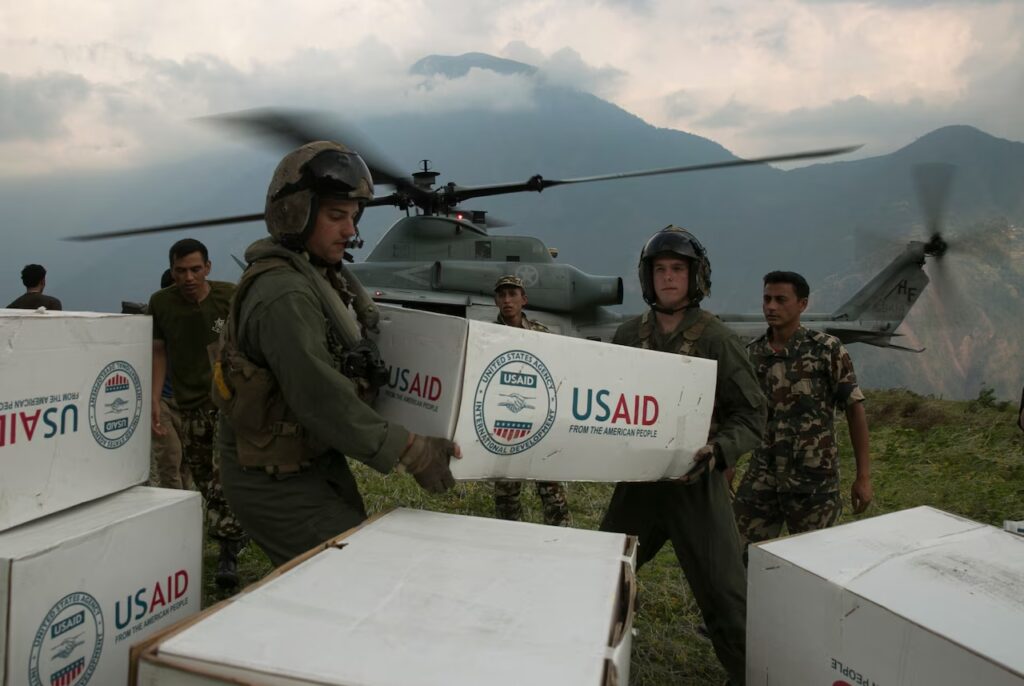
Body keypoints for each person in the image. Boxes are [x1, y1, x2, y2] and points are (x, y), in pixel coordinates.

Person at [214, 141, 460, 568]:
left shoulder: (319, 277)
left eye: (353, 217)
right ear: (297, 213)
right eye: (335, 216)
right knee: (355, 575)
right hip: (272, 478)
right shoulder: (285, 292)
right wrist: (412, 448)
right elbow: (319, 394)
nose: (350, 231)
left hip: (310, 462)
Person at [599, 226, 765, 686]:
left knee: (727, 599)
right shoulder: (629, 334)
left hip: (696, 487)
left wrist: (720, 451)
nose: (668, 279)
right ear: (646, 278)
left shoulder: (717, 340)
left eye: (677, 269)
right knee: (602, 577)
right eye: (659, 270)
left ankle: (749, 675)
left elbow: (752, 415)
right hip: (639, 485)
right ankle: (587, 665)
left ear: (695, 277)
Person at [733, 271, 872, 552]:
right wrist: (729, 464)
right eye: (767, 299)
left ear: (802, 304)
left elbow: (854, 411)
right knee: (741, 559)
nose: (771, 306)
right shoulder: (753, 354)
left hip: (814, 484)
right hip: (763, 478)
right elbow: (740, 414)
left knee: (813, 566)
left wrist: (863, 477)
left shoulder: (827, 351)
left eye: (781, 299)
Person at [148, 238, 247, 587]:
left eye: (194, 269)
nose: (188, 277)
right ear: (171, 271)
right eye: (180, 271)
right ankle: (238, 525)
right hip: (188, 406)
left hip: (226, 403)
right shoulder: (161, 304)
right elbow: (159, 353)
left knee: (221, 478)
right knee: (203, 477)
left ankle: (227, 553)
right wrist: (155, 400)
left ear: (207, 267)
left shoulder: (228, 296)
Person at [491, 274, 571, 527]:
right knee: (506, 494)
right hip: (505, 423)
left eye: (512, 294)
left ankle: (559, 539)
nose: (507, 300)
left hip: (538, 419)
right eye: (502, 295)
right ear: (496, 300)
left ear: (523, 299)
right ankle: (509, 538)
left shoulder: (541, 334)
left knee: (552, 492)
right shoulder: (489, 335)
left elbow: (557, 373)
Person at [149, 269, 191, 490]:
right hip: (163, 401)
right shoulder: (157, 321)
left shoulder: (193, 319)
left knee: (186, 463)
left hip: (187, 401)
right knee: (170, 462)